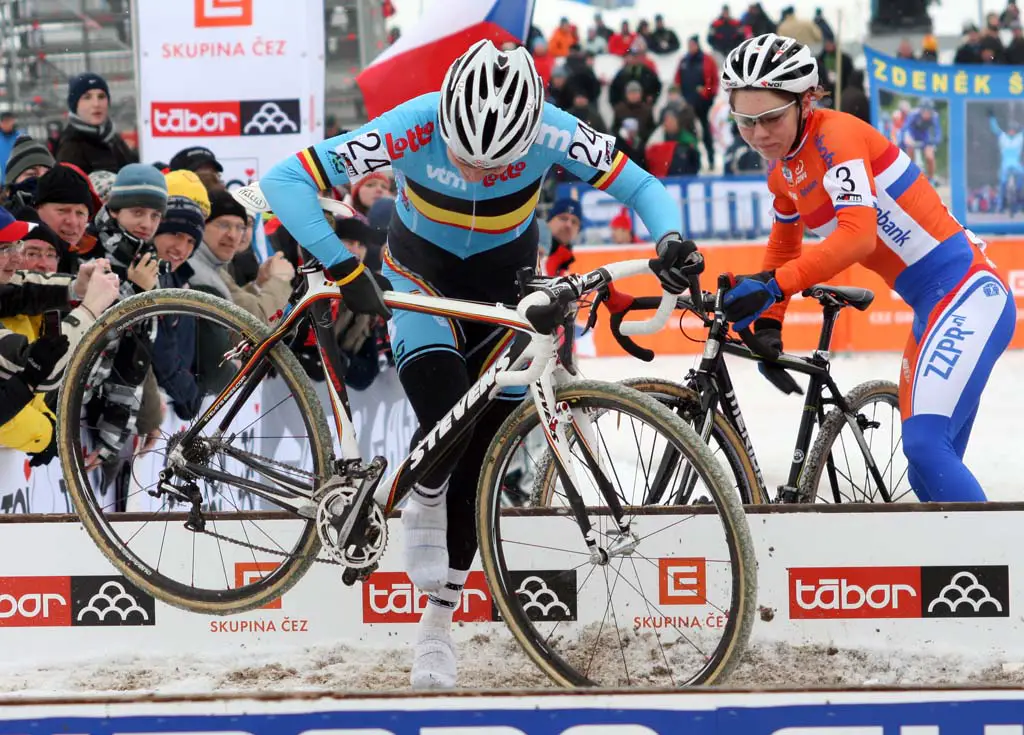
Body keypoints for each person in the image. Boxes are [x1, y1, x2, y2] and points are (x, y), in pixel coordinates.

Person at [260, 38, 701, 690]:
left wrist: (670, 239)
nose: (472, 172)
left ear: (532, 130)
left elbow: (640, 184)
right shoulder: (413, 122)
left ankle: (437, 623)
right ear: (445, 121)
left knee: (482, 452)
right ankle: (425, 492)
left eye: (493, 165)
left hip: (506, 292)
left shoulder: (556, 129)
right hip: (420, 280)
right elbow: (282, 180)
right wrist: (345, 265)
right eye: (463, 157)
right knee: (445, 414)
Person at [717, 33, 1015, 505]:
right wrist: (771, 322)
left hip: (967, 291)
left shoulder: (836, 137)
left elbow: (858, 236)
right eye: (745, 121)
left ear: (805, 101)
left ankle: (1005, 570)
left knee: (924, 449)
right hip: (933, 304)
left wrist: (774, 288)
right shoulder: (782, 171)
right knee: (927, 474)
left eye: (770, 118)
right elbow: (783, 243)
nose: (758, 134)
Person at [987, 110, 1024, 215]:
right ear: (1008, 131)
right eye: (1010, 130)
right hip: (1005, 166)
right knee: (1002, 184)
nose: (1011, 132)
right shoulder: (1003, 137)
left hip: (1016, 166)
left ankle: (1019, 201)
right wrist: (992, 118)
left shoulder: (1019, 138)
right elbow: (995, 129)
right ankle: (1001, 205)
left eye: (1013, 130)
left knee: (1020, 182)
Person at [898, 98, 942, 184]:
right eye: (924, 111)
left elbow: (938, 133)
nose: (926, 114)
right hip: (913, 136)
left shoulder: (935, 116)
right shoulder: (913, 114)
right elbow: (904, 129)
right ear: (920, 110)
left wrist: (933, 143)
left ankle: (931, 177)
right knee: (909, 150)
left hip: (925, 138)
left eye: (928, 112)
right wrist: (907, 138)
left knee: (930, 156)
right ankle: (911, 175)